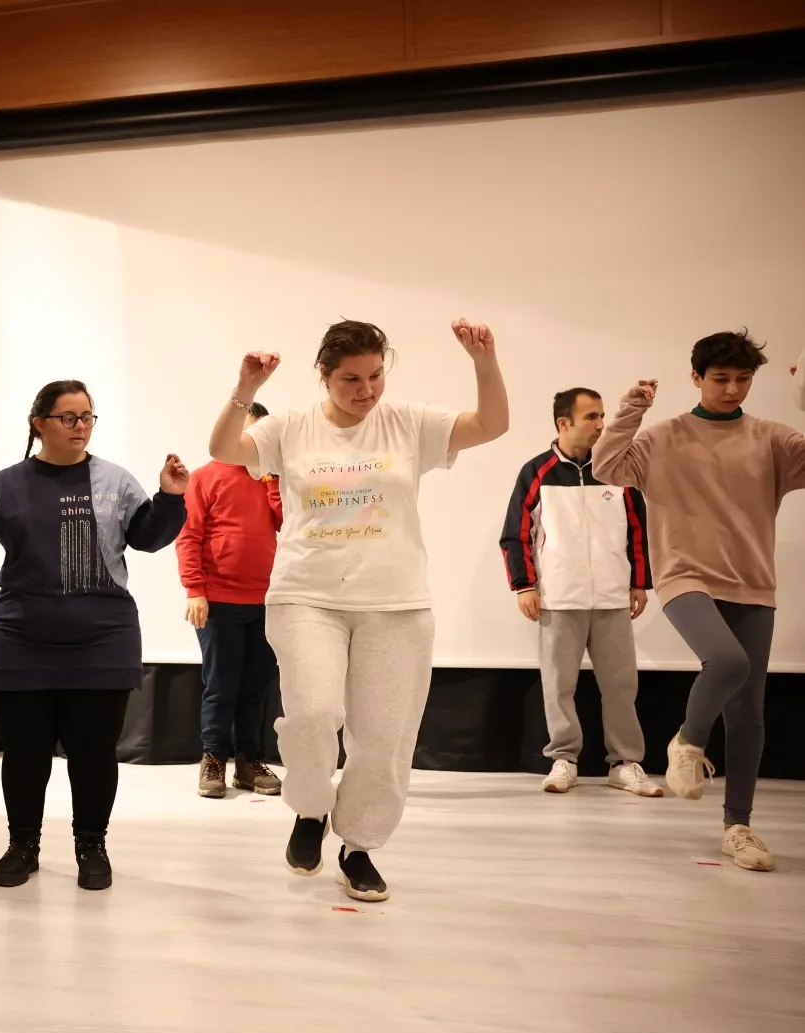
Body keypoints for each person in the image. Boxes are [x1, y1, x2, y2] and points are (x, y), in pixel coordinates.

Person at [207, 319, 509, 902]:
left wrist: (484, 362)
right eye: (351, 379)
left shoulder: (410, 422)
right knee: (313, 715)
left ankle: (359, 846)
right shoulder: (290, 426)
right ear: (324, 374)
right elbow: (223, 449)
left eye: (375, 376)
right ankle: (310, 809)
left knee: (384, 737)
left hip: (395, 603)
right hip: (306, 595)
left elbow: (491, 425)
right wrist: (246, 388)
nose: (366, 390)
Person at [0, 381, 188, 890]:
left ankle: (92, 844)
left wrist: (170, 498)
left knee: (93, 755)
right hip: (20, 637)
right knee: (25, 754)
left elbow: (149, 538)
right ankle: (22, 844)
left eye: (88, 416)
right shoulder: (8, 483)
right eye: (69, 417)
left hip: (103, 639)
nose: (81, 426)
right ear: (39, 423)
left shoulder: (115, 480)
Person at [592, 331, 805, 872]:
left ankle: (739, 827)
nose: (732, 389)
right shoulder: (664, 437)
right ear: (696, 378)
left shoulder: (773, 439)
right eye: (720, 379)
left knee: (748, 711)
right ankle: (687, 742)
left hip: (752, 582)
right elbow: (606, 467)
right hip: (684, 574)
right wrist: (632, 409)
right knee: (727, 661)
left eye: (743, 379)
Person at [499, 387, 661, 797]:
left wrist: (639, 582)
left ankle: (625, 763)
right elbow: (516, 534)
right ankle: (564, 759)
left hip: (612, 597)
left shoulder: (616, 471)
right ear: (563, 422)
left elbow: (638, 530)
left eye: (602, 415)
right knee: (558, 685)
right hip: (558, 597)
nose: (601, 425)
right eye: (591, 416)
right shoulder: (537, 471)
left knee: (621, 686)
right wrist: (524, 586)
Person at [177, 401, 285, 798]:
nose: (255, 442)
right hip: (219, 600)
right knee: (221, 686)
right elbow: (188, 536)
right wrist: (195, 589)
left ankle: (249, 762)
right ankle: (213, 759)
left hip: (267, 601)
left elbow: (289, 522)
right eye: (249, 433)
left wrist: (272, 480)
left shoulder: (274, 478)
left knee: (255, 687)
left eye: (262, 435)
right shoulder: (205, 477)